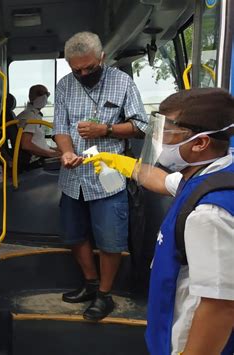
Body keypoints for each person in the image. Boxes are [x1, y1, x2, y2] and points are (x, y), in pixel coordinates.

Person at [84, 88, 234, 354]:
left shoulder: (208, 214)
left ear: (200, 143)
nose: (161, 140)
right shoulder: (212, 174)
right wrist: (121, 164)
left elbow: (221, 307)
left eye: (169, 133)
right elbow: (161, 180)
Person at [53, 31, 148, 321]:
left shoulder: (123, 83)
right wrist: (66, 152)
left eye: (89, 68)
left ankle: (105, 296)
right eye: (76, 69)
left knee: (111, 239)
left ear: (102, 58)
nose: (82, 74)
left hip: (109, 177)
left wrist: (105, 130)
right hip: (73, 178)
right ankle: (90, 284)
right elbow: (60, 128)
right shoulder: (65, 86)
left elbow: (142, 126)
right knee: (74, 235)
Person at [17, 84, 60, 167]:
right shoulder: (30, 116)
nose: (44, 97)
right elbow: (26, 144)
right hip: (36, 161)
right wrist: (51, 154)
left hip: (40, 157)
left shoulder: (35, 115)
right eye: (41, 94)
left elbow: (38, 142)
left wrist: (55, 150)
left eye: (46, 94)